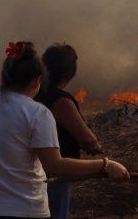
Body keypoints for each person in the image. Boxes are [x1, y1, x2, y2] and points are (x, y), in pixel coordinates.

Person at [0, 41, 129, 219]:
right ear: (38, 81)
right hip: (21, 210)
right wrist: (105, 165)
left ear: (3, 78)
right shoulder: (37, 113)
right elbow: (55, 166)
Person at [36, 43, 102, 219]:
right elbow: (87, 138)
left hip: (34, 173)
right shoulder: (60, 101)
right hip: (55, 176)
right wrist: (96, 147)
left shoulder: (34, 93)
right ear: (69, 73)